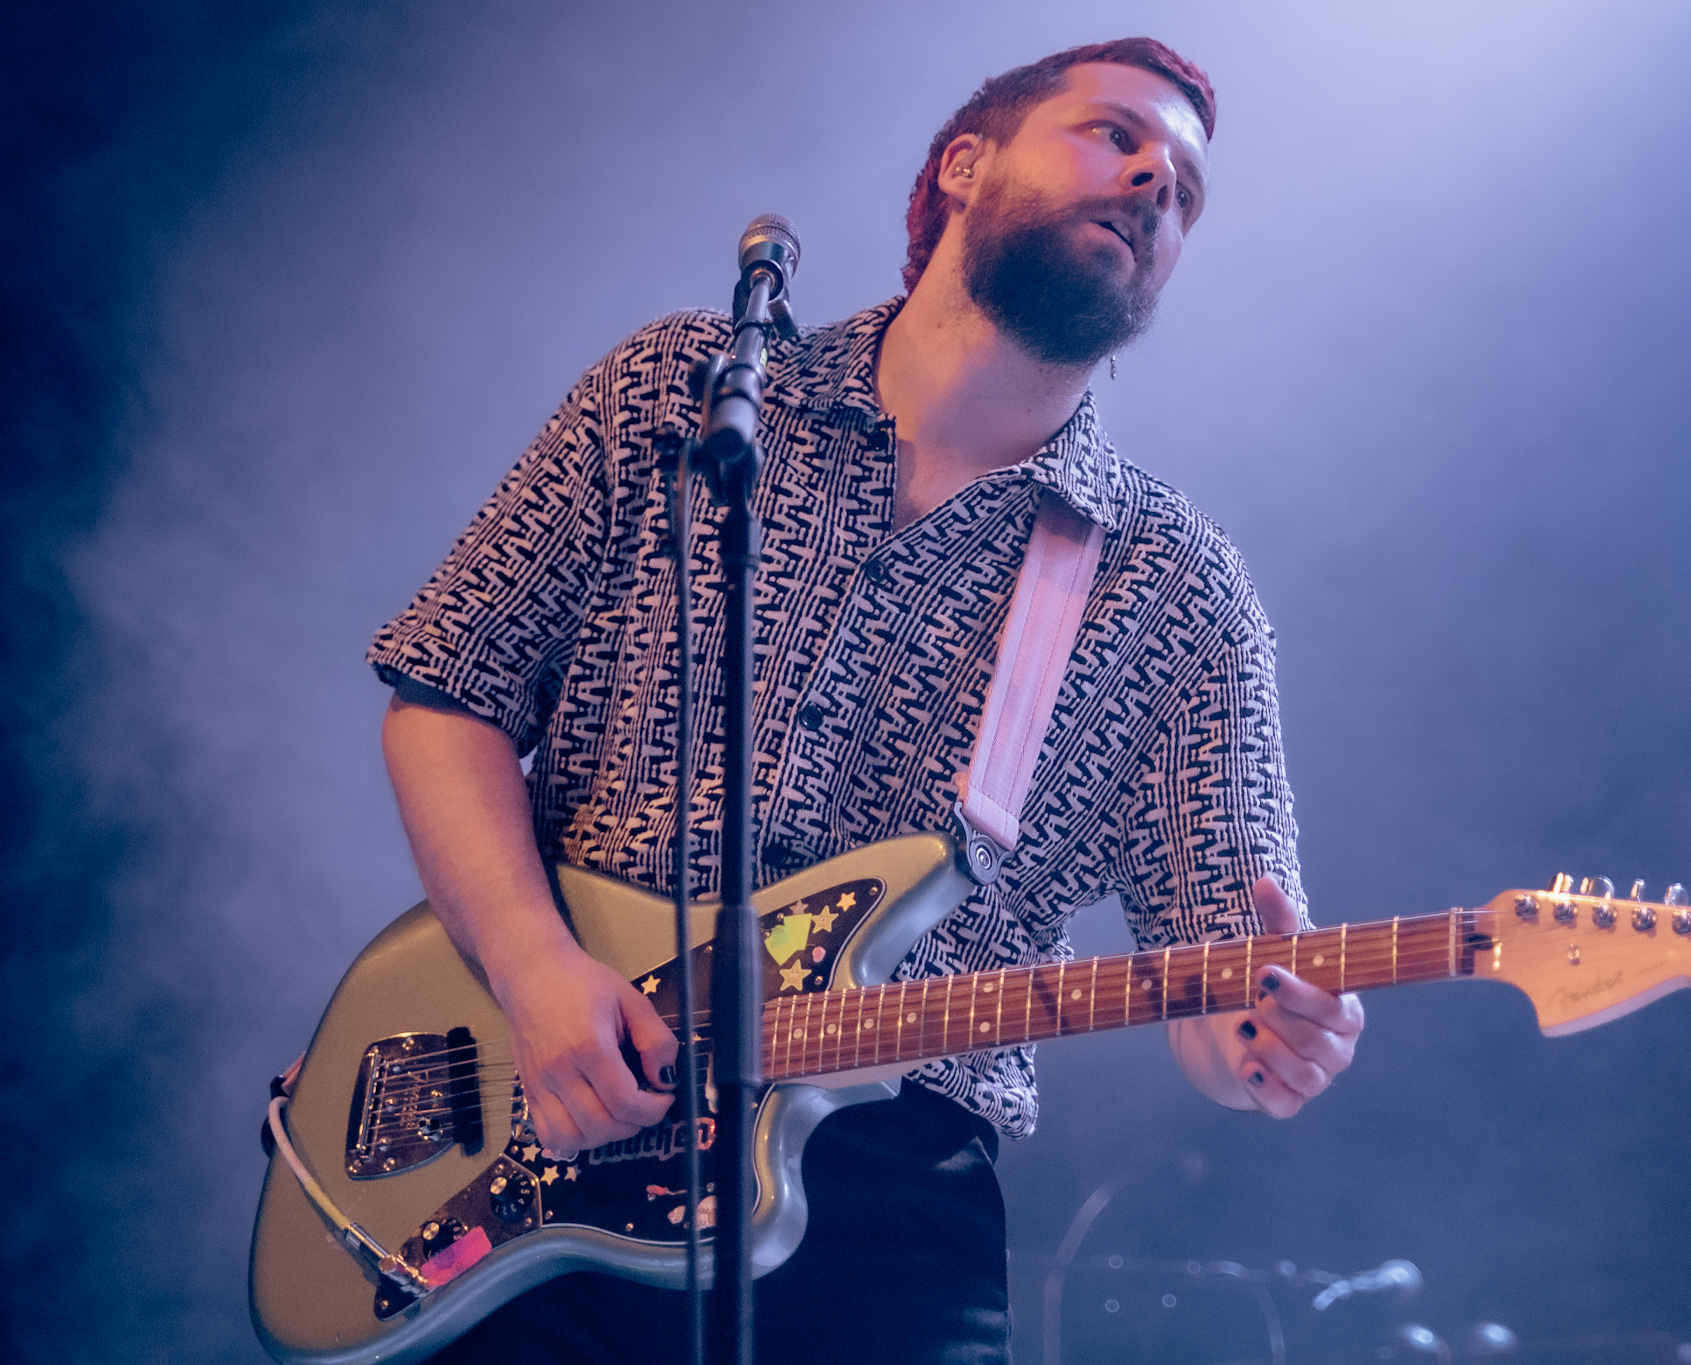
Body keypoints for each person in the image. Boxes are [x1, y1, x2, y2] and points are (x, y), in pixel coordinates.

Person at [371, 36, 1365, 1365]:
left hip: (881, 1205)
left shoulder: (1177, 589)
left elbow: (1224, 974)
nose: (1152, 181)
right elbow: (449, 690)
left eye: (1183, 190)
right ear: (965, 165)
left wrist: (1267, 1035)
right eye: (1113, 134)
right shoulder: (681, 395)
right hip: (554, 1109)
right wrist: (535, 968)